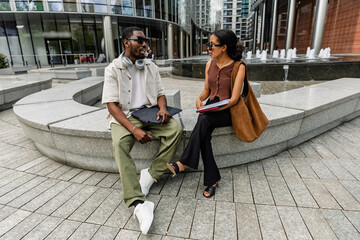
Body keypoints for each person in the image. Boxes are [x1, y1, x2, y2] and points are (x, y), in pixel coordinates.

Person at [102, 26, 183, 235]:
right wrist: (132, 130)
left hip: (150, 113)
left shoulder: (150, 66)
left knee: (175, 129)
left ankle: (150, 174)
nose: (145, 44)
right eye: (140, 40)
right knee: (120, 144)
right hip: (126, 117)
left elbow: (160, 93)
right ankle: (138, 202)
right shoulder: (113, 69)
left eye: (145, 40)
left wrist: (163, 108)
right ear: (126, 42)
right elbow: (111, 105)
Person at [167, 29, 246, 198]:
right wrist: (199, 99)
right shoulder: (209, 64)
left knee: (203, 120)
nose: (208, 48)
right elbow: (206, 90)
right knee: (204, 132)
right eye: (207, 44)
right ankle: (212, 180)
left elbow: (234, 99)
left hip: (227, 111)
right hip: (209, 109)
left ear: (224, 47)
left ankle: (183, 163)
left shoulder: (238, 67)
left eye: (211, 45)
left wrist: (214, 109)